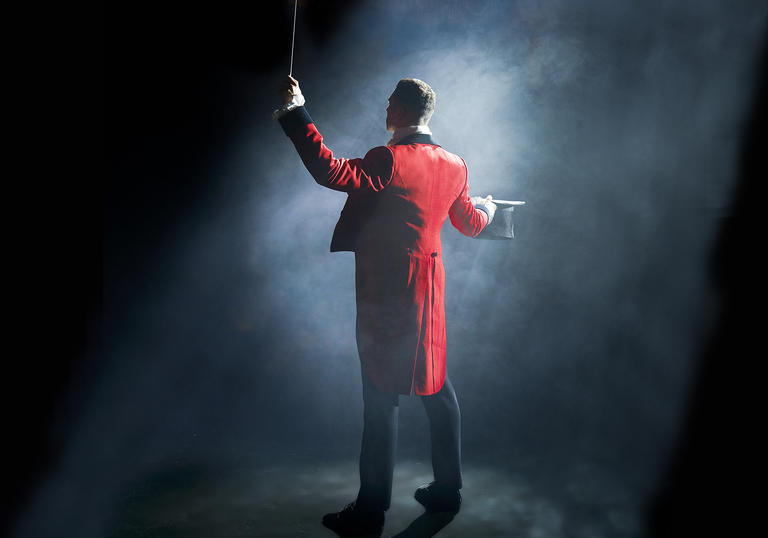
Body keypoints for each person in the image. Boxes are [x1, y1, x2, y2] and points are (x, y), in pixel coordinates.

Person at [274, 75, 496, 537]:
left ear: (401, 111)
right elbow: (471, 223)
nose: (385, 106)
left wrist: (297, 114)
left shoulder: (388, 158)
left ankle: (370, 512)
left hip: (389, 296)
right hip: (430, 293)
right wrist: (490, 209)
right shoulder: (456, 164)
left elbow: (330, 171)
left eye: (390, 101)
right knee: (438, 388)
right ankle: (447, 489)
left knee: (380, 399)